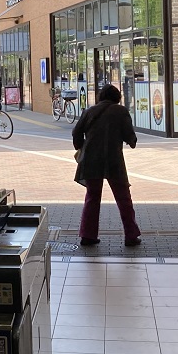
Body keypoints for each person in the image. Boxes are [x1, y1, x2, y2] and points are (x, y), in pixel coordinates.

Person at [73, 84, 142, 247]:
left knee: (92, 197)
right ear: (117, 97)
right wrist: (131, 141)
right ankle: (131, 236)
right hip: (113, 160)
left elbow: (76, 132)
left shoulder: (89, 111)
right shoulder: (121, 111)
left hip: (91, 159)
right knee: (123, 198)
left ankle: (87, 236)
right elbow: (129, 136)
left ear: (101, 97)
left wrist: (82, 146)